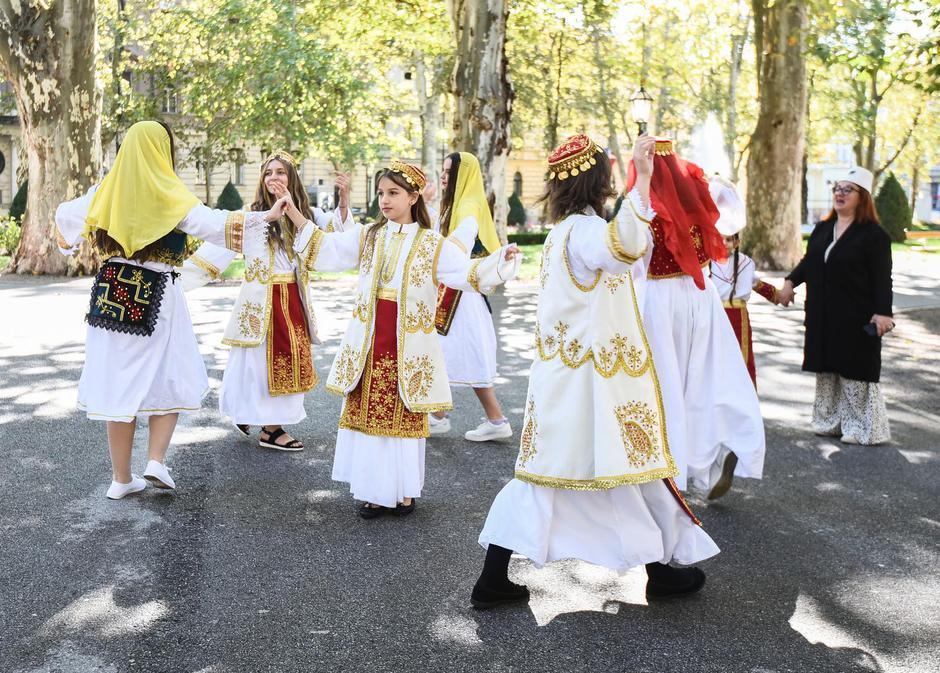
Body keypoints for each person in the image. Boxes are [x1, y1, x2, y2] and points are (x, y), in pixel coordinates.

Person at [472, 135, 719, 609]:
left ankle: (658, 570)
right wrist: (643, 180)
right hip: (589, 384)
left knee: (609, 472)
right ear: (599, 181)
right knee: (576, 474)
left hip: (575, 380)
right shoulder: (583, 233)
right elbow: (624, 244)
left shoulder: (562, 232)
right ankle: (495, 578)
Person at [285, 161, 521, 518]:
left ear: (413, 197)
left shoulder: (430, 243)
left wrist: (501, 262)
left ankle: (403, 492)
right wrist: (296, 216)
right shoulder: (369, 236)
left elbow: (464, 272)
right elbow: (329, 249)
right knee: (371, 419)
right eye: (381, 193)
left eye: (393, 193)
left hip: (408, 347)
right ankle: (374, 491)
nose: (385, 200)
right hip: (369, 341)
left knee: (402, 420)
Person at [54, 120, 273, 499]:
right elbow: (216, 225)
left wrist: (68, 246)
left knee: (116, 385)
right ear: (162, 150)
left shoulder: (103, 191)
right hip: (160, 297)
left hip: (110, 298)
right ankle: (156, 460)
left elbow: (63, 220)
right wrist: (265, 217)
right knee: (172, 373)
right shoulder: (171, 194)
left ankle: (120, 479)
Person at [181, 152, 353, 451]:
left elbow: (341, 237)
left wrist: (344, 200)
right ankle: (271, 430)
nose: (273, 177)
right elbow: (215, 253)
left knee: (286, 364)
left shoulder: (307, 214)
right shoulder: (254, 216)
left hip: (292, 301)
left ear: (292, 178)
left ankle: (253, 415)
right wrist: (173, 284)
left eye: (280, 172)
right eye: (268, 173)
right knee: (256, 366)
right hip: (259, 304)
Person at [627, 139, 765, 501]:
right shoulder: (699, 205)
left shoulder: (648, 211)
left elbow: (633, 260)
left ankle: (667, 463)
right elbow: (724, 229)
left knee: (665, 383)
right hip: (701, 301)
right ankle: (714, 446)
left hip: (660, 301)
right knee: (704, 379)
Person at [777, 167, 893, 445]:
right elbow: (810, 262)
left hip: (855, 315)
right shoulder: (823, 229)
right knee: (827, 368)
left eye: (847, 189)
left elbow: (882, 278)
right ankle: (829, 421)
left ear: (862, 197)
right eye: (837, 189)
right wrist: (790, 282)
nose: (839, 194)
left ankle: (860, 427)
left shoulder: (874, 236)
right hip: (823, 314)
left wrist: (883, 313)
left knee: (854, 371)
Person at [429, 152, 513, 442]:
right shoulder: (458, 202)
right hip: (457, 289)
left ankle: (494, 419)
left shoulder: (467, 204)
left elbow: (461, 239)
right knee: (441, 352)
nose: (443, 176)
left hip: (461, 294)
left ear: (463, 175)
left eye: (449, 172)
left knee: (457, 353)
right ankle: (439, 416)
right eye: (442, 170)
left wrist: (435, 256)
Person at [707, 177, 781, 386]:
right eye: (720, 238)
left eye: (729, 239)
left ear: (737, 241)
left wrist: (779, 296)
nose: (724, 242)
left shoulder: (746, 262)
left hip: (738, 316)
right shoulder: (707, 263)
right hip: (715, 314)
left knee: (741, 359)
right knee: (716, 361)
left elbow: (756, 283)